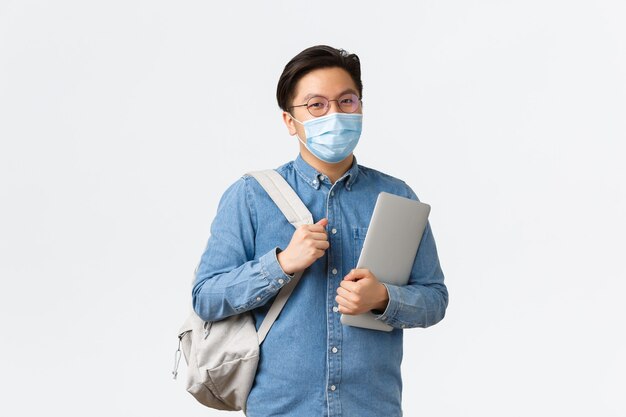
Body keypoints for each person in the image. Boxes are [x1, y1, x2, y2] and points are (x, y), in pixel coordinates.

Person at [192, 45, 448, 417]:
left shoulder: (396, 197)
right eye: (316, 105)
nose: (335, 114)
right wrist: (279, 265)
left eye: (347, 101)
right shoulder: (250, 196)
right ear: (289, 121)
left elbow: (434, 298)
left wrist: (383, 299)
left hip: (371, 408)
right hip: (280, 409)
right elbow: (206, 297)